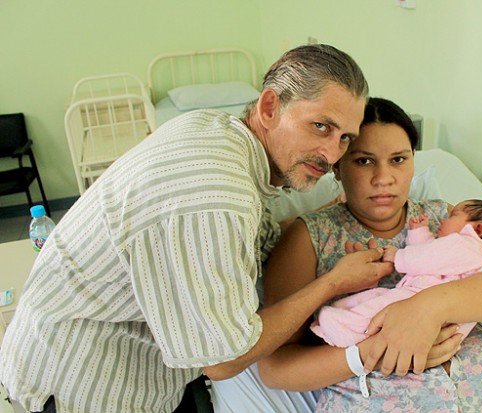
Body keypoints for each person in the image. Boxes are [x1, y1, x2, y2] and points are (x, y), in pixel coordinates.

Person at [0, 44, 398, 413]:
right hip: (81, 387)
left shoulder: (216, 133)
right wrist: (330, 285)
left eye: (345, 138)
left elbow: (249, 240)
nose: (332, 155)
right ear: (270, 106)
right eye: (321, 127)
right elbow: (223, 360)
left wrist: (327, 218)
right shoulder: (213, 191)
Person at [256, 97, 482, 412]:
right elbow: (275, 368)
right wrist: (372, 351)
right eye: (364, 161)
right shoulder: (309, 238)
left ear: (413, 160)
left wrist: (428, 307)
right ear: (337, 166)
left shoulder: (445, 219)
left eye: (398, 159)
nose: (384, 178)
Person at [310, 199, 482, 348]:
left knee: (379, 306)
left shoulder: (468, 247)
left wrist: (397, 256)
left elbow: (427, 258)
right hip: (420, 295)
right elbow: (431, 256)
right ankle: (334, 317)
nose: (444, 218)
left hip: (422, 300)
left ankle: (345, 333)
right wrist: (419, 232)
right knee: (376, 298)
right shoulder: (458, 251)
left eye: (453, 216)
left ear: (477, 229)